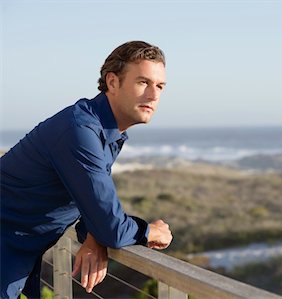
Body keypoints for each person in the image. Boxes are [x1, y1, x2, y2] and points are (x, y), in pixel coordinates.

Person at [0, 41, 173, 299]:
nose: (153, 95)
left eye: (159, 86)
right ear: (112, 82)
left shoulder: (103, 131)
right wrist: (149, 231)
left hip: (19, 252)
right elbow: (111, 226)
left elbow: (91, 202)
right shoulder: (80, 131)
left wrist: (95, 235)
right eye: (143, 82)